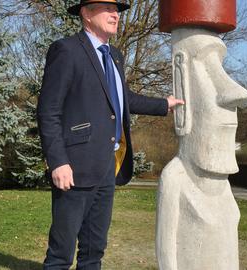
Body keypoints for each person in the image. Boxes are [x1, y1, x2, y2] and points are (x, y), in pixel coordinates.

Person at [37, 0, 183, 269]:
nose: (115, 14)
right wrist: (58, 161)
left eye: (117, 10)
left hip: (108, 165)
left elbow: (121, 98)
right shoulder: (66, 50)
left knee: (95, 250)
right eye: (108, 8)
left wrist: (164, 104)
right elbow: (49, 110)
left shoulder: (114, 55)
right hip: (74, 166)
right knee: (61, 252)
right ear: (86, 13)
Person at [155, 28, 247, 270]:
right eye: (208, 69)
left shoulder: (224, 186)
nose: (236, 96)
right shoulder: (175, 178)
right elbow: (166, 251)